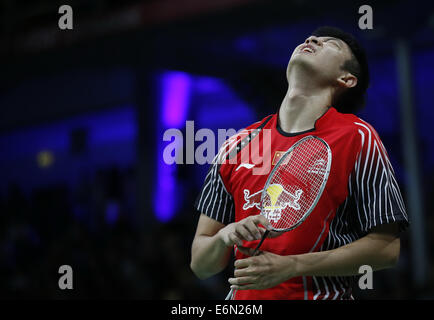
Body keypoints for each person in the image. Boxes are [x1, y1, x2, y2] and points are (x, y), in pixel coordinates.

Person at [190, 26, 409, 300]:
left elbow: (386, 249)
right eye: (311, 38)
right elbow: (200, 264)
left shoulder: (357, 136)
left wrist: (292, 266)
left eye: (331, 44)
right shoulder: (236, 146)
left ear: (347, 79)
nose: (312, 39)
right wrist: (225, 236)